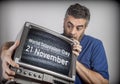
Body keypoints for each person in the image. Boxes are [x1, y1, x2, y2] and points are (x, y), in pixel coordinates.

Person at [0, 3, 109, 84]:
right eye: (69, 25)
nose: (72, 32)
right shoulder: (54, 40)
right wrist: (4, 52)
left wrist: (72, 60)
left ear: (85, 28)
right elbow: (13, 44)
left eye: (79, 28)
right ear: (64, 21)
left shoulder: (95, 45)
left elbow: (103, 82)